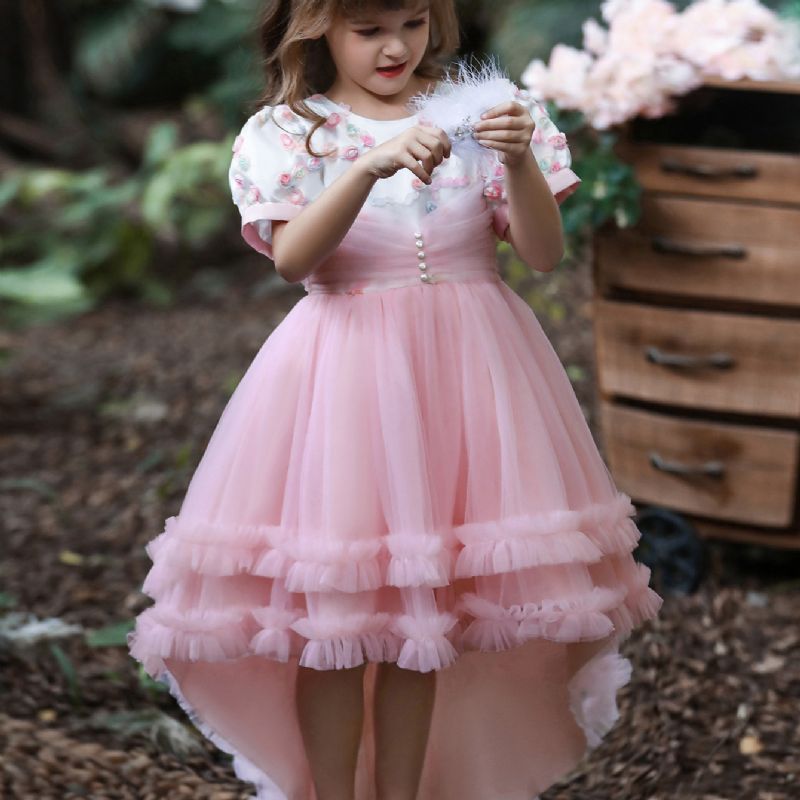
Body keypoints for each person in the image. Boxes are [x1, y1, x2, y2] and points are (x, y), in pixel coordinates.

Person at [128, 1, 664, 798]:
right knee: (338, 622)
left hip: (473, 385)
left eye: (411, 24)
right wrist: (363, 168)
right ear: (319, 30)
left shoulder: (481, 114)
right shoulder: (290, 131)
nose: (394, 47)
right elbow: (293, 261)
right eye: (368, 29)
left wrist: (517, 161)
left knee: (427, 622)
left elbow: (544, 255)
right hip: (345, 382)